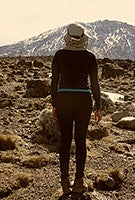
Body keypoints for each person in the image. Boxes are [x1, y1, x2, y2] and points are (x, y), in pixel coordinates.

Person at [50, 23, 102, 196]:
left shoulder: (59, 55)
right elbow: (95, 84)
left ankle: (65, 184)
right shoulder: (90, 57)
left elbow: (54, 83)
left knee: (65, 141)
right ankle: (79, 182)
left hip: (64, 98)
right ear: (83, 38)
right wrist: (99, 106)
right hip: (83, 99)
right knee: (80, 140)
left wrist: (54, 104)